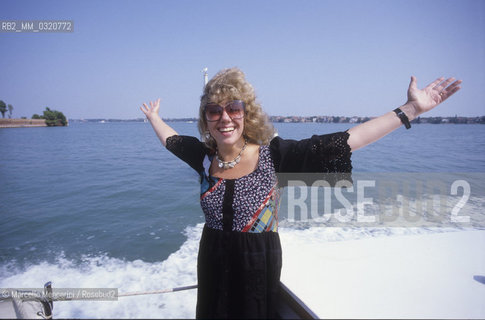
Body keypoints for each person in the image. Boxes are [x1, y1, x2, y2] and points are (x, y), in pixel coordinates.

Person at [140, 68, 461, 319]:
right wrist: (154, 117)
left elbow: (349, 139)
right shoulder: (204, 157)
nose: (224, 118)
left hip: (256, 267)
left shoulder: (273, 156)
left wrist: (411, 109)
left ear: (245, 113)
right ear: (206, 119)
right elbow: (171, 140)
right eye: (214, 111)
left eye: (233, 109)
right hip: (211, 260)